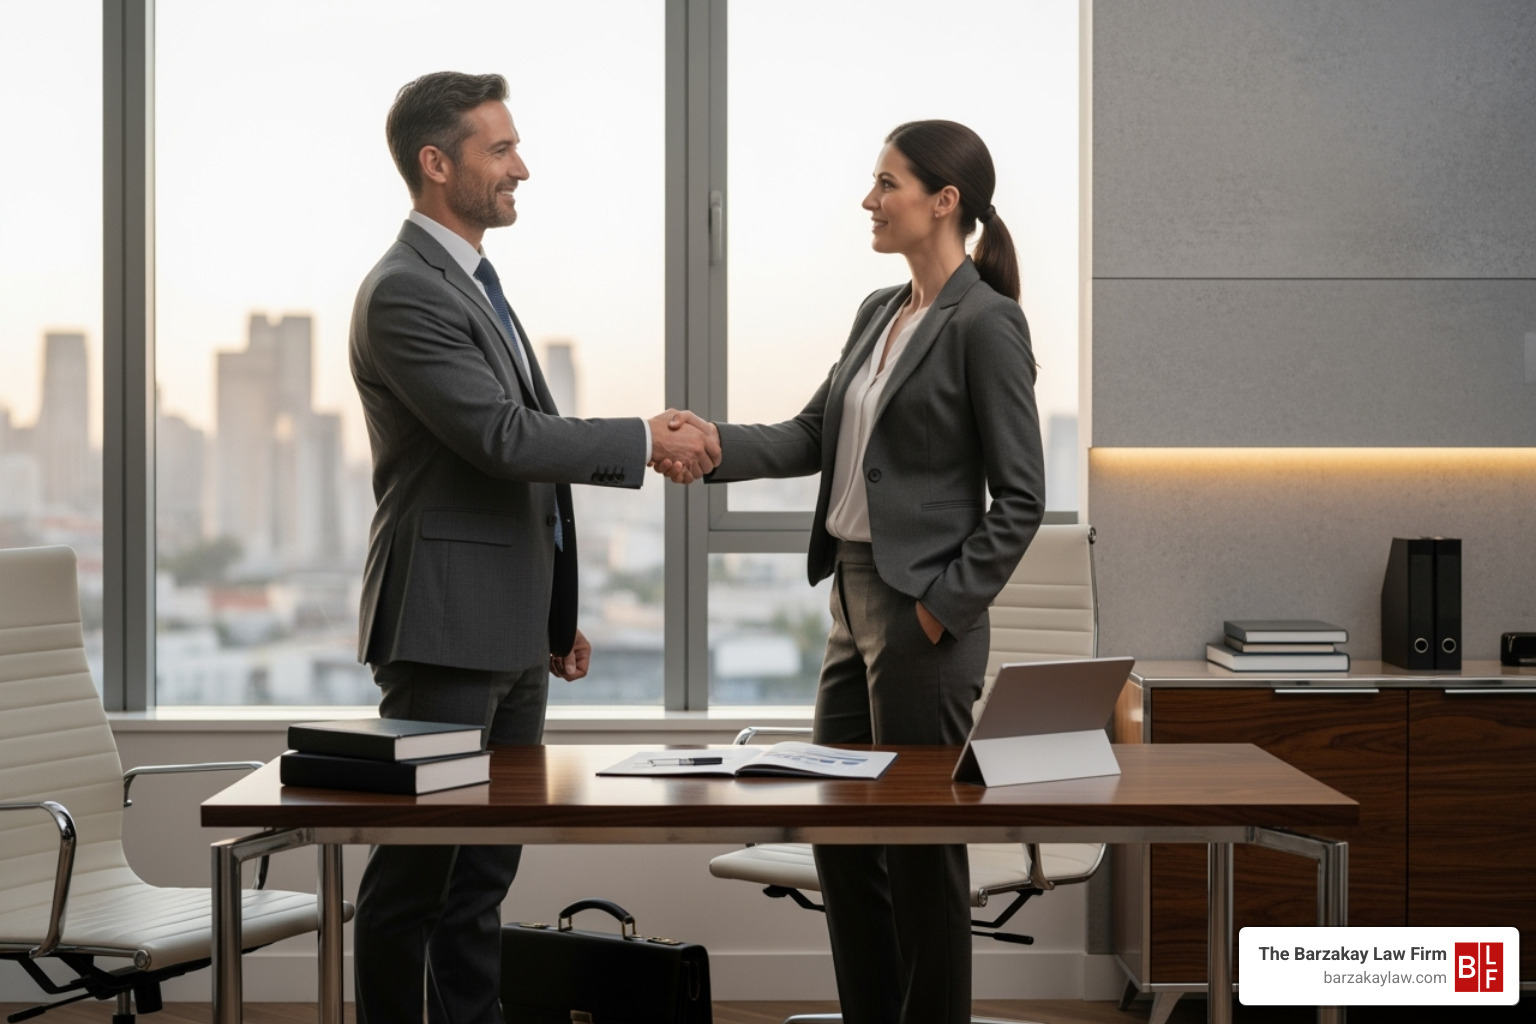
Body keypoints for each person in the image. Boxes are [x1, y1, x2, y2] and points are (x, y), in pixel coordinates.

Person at [348, 71, 719, 1024]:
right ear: (438, 165)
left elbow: (522, 477)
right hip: (440, 625)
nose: (523, 168)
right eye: (500, 150)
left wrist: (553, 618)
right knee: (416, 882)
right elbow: (503, 440)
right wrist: (643, 437)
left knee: (481, 878)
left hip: (508, 632)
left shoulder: (476, 279)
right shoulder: (402, 291)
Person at [674, 119, 1044, 1024]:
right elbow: (814, 434)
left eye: (887, 183)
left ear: (944, 201)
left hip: (920, 614)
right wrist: (713, 445)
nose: (869, 200)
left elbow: (1023, 498)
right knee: (838, 833)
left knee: (921, 850)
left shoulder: (987, 324)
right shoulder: (881, 311)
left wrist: (939, 611)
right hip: (849, 598)